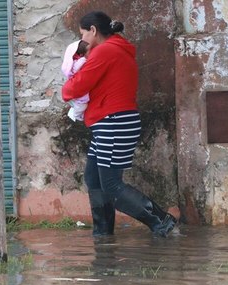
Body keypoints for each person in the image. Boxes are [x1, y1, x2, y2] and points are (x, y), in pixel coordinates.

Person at [62, 11, 177, 237]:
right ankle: (103, 235)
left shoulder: (105, 51)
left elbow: (73, 89)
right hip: (110, 122)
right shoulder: (115, 48)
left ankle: (163, 222)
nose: (81, 41)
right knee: (93, 178)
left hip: (113, 122)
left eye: (83, 34)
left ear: (93, 30)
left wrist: (67, 84)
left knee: (111, 185)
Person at [61, 40, 89, 121]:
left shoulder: (78, 60)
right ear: (82, 53)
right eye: (89, 50)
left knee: (79, 105)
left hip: (73, 89)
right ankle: (77, 116)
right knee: (81, 106)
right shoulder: (81, 60)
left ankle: (77, 113)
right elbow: (75, 69)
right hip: (77, 88)